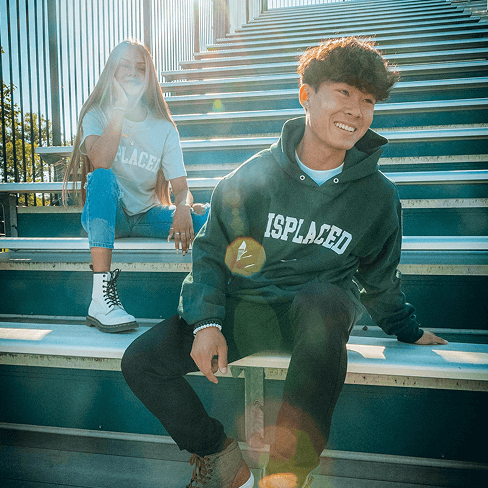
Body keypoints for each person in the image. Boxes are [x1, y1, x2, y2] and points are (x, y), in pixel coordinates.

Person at [121, 37, 448, 488]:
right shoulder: (252, 176)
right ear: (306, 95)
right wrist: (206, 322)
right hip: (249, 309)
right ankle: (220, 456)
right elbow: (211, 251)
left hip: (316, 320)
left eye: (368, 101)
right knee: (141, 361)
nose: (355, 111)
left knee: (324, 300)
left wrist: (407, 329)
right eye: (344, 92)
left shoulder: (378, 197)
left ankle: (286, 475)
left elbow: (380, 280)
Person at [63, 39, 208, 334]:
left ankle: (217, 299)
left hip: (146, 215)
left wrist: (183, 207)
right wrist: (119, 108)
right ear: (112, 72)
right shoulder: (96, 114)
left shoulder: (164, 127)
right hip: (108, 216)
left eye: (140, 68)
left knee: (209, 217)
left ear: (148, 77)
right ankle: (100, 300)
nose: (132, 73)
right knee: (102, 177)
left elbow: (181, 188)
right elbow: (100, 161)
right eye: (125, 65)